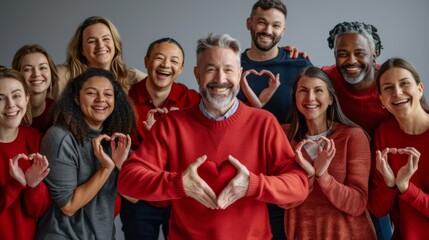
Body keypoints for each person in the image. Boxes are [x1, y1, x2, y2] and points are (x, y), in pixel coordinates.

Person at [118, 33, 309, 240]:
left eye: (228, 70)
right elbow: (128, 180)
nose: (220, 79)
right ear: (197, 74)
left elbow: (298, 186)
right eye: (211, 69)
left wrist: (253, 185)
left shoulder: (264, 123)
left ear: (239, 74)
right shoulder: (172, 124)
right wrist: (178, 183)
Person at [237, 1, 312, 238]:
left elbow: (319, 105)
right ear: (249, 23)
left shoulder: (299, 64)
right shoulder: (231, 66)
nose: (268, 30)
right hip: (241, 174)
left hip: (284, 174)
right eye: (262, 22)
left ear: (283, 31)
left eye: (276, 25)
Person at [36, 68, 136, 239]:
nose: (101, 100)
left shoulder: (115, 139)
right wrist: (106, 168)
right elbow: (68, 206)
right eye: (91, 93)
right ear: (76, 98)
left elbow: (135, 198)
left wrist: (122, 166)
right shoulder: (60, 137)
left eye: (108, 94)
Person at [280, 66, 375, 239]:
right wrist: (309, 176)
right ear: (295, 98)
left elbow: (358, 204)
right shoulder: (283, 136)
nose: (310, 97)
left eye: (318, 90)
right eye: (303, 90)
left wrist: (323, 175)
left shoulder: (353, 136)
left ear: (330, 98)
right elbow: (283, 201)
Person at [121, 38, 200, 240]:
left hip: (180, 197)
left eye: (174, 61)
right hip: (140, 197)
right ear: (147, 61)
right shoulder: (125, 100)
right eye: (159, 58)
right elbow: (119, 149)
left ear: (181, 69)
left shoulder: (191, 101)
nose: (166, 65)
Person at [322, 21, 393, 240]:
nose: (351, 60)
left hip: (382, 180)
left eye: (360, 53)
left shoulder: (391, 81)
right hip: (341, 180)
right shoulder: (327, 80)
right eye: (342, 53)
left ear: (375, 53)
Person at [368, 57, 429, 239]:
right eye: (388, 88)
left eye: (404, 84)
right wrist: (389, 184)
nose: (397, 92)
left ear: (419, 89)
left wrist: (406, 188)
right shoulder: (384, 134)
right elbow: (378, 209)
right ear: (381, 98)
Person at [0, 68, 51, 240]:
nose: (10, 105)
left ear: (27, 99)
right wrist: (15, 185)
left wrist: (33, 185)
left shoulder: (35, 139)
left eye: (16, 96)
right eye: (0, 98)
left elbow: (39, 210)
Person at [53, 16, 146, 100]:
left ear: (115, 44)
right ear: (81, 50)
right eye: (92, 41)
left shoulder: (132, 78)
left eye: (106, 39)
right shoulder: (62, 76)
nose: (100, 45)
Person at [11, 44, 59, 133]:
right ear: (17, 75)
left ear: (51, 73)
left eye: (43, 68)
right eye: (27, 69)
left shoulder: (59, 113)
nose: (36, 74)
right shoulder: (9, 111)